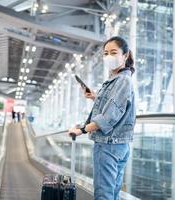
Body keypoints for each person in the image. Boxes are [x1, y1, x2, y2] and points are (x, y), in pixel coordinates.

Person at [68, 36, 136, 200]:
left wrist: (81, 130)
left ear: (125, 55)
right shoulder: (118, 80)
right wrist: (95, 97)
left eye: (114, 52)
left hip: (108, 146)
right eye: (106, 53)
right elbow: (115, 105)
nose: (109, 57)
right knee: (112, 193)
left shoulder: (122, 80)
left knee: (103, 195)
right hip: (119, 145)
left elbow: (108, 117)